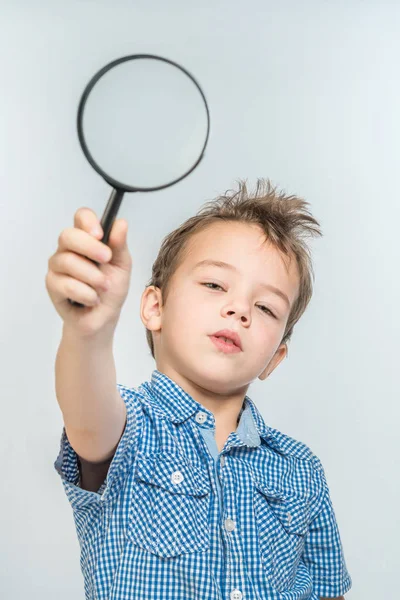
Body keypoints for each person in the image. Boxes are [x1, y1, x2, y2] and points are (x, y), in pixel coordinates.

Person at [46, 178, 352, 600]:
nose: (239, 309)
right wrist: (86, 332)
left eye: (265, 307)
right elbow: (85, 408)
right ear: (155, 308)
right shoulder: (129, 429)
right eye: (214, 285)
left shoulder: (301, 471)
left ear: (275, 358)